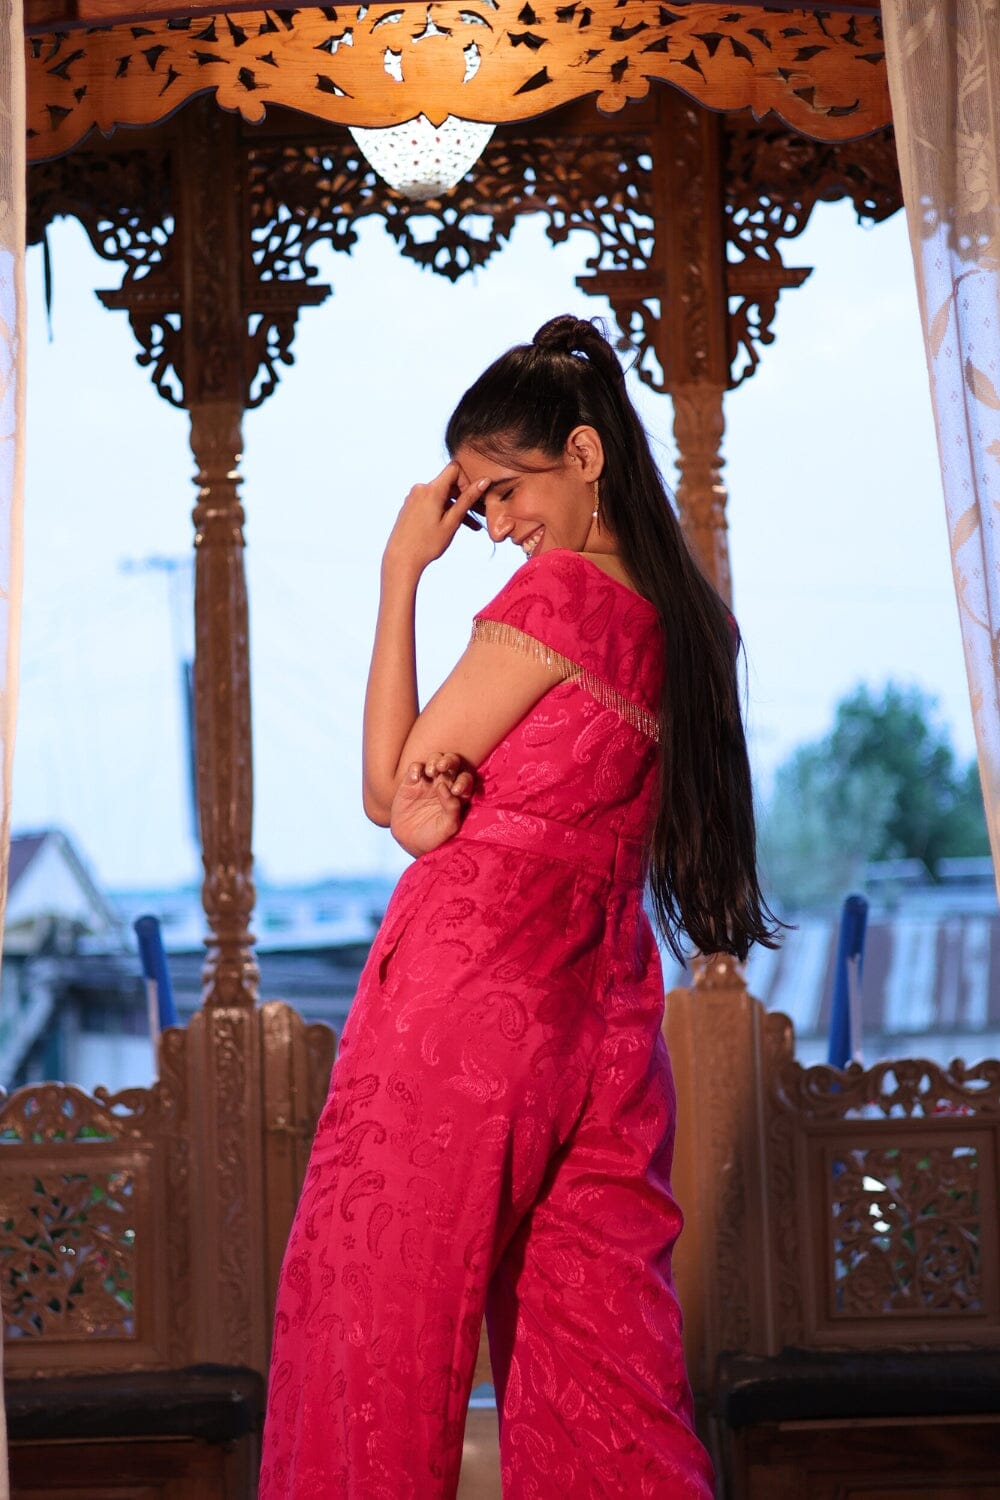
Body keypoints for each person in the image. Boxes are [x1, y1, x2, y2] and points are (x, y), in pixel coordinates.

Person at [259, 315, 779, 1499]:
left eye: (502, 491)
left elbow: (385, 788)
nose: (493, 527)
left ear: (585, 455)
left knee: (370, 1326)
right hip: (604, 1010)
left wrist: (400, 570)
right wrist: (436, 810)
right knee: (603, 1364)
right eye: (473, 505)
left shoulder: (559, 597)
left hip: (469, 994)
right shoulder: (693, 625)